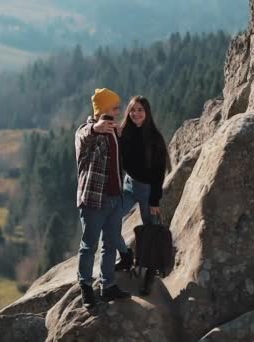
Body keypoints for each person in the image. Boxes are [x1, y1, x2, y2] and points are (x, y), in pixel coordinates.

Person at [75, 88, 131, 308]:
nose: (118, 111)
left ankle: (107, 286)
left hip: (115, 198)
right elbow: (82, 138)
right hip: (93, 200)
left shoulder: (115, 132)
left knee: (109, 243)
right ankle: (86, 288)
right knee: (89, 246)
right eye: (114, 107)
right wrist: (95, 128)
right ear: (103, 109)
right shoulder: (87, 131)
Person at [116, 95, 171, 295]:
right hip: (129, 185)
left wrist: (155, 200)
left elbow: (159, 172)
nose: (136, 114)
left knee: (152, 232)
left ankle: (150, 273)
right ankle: (126, 256)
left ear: (147, 113)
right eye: (132, 110)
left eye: (140, 110)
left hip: (148, 190)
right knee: (112, 217)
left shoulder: (155, 138)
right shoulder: (124, 134)